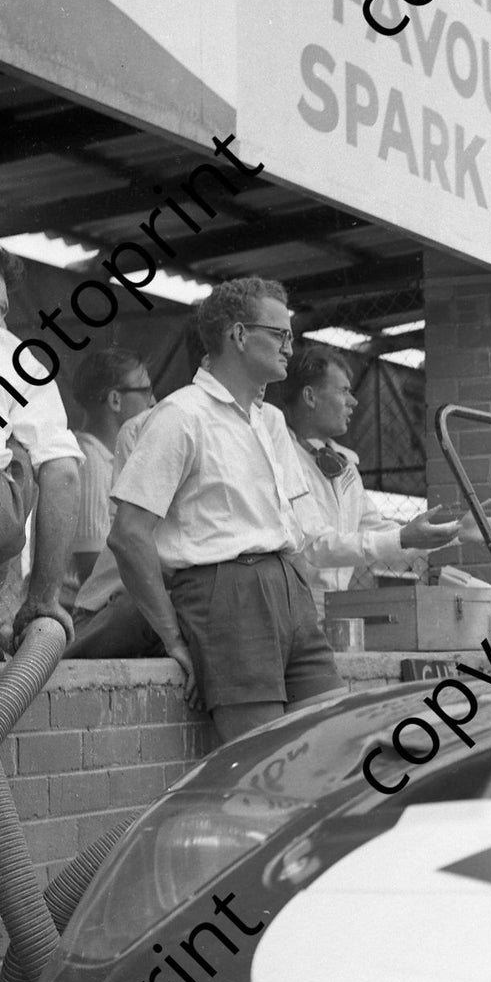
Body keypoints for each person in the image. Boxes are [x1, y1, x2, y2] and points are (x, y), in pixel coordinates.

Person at [108, 277, 344, 744]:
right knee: (262, 763)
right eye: (279, 335)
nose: (289, 349)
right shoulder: (181, 415)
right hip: (227, 592)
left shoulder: (269, 419)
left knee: (331, 745)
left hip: (290, 591)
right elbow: (128, 534)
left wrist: (299, 597)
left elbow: (293, 527)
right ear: (238, 335)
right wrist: (173, 638)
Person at [279, 346, 491, 613]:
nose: (354, 401)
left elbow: (383, 534)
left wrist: (454, 532)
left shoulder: (344, 464)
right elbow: (317, 547)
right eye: (343, 390)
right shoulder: (282, 456)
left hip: (334, 606)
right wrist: (403, 537)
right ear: (310, 397)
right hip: (292, 606)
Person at [0, 246, 82, 657]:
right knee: (24, 449)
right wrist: (43, 600)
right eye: (0, 308)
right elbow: (64, 473)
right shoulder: (13, 356)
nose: (4, 321)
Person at [67, 349, 156, 595]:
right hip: (81, 615)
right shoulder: (89, 462)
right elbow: (91, 568)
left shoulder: (105, 458)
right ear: (115, 399)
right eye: (146, 391)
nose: (154, 401)